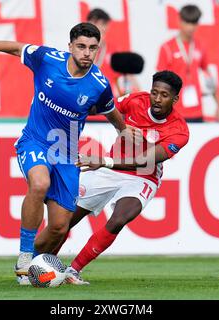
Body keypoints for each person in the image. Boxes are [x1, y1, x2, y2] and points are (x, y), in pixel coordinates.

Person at [0, 23, 135, 285]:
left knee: (60, 226)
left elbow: (109, 110)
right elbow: (18, 49)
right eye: (81, 46)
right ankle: (25, 257)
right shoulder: (47, 59)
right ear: (70, 46)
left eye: (93, 48)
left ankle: (36, 268)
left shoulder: (98, 84)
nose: (87, 53)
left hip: (66, 155)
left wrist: (123, 129)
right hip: (35, 141)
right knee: (39, 183)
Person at [53, 70, 190, 285]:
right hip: (109, 170)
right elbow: (105, 108)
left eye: (164, 95)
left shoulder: (179, 131)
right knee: (66, 218)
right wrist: (74, 105)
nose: (157, 99)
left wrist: (104, 161)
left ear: (175, 99)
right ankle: (38, 264)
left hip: (143, 177)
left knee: (119, 219)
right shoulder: (136, 100)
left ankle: (73, 270)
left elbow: (146, 160)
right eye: (154, 92)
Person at [156, 4, 219, 122]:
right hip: (173, 111)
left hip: (196, 111)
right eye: (187, 22)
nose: (190, 27)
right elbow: (159, 82)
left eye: (194, 23)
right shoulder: (167, 47)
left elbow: (208, 77)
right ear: (180, 22)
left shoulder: (200, 46)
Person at [87, 8, 140, 97]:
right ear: (91, 23)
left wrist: (139, 97)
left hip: (106, 103)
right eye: (102, 24)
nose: (104, 28)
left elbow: (129, 78)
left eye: (106, 25)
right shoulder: (78, 48)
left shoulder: (113, 51)